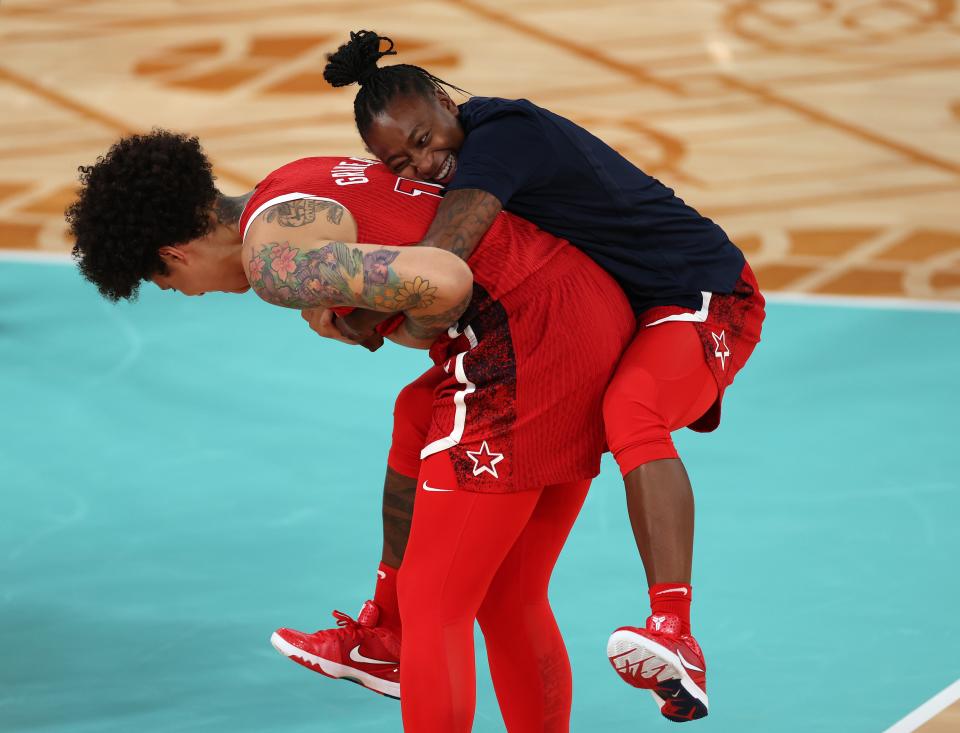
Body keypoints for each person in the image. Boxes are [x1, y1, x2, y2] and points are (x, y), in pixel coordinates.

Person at [66, 130, 635, 732]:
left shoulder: (273, 265)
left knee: (435, 603)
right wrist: (365, 308)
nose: (191, 295)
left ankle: (391, 634)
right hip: (583, 312)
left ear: (176, 253)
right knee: (505, 588)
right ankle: (383, 637)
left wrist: (378, 322)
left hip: (530, 344)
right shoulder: (293, 179)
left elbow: (445, 281)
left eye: (169, 285)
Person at [276, 30, 767, 724]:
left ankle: (674, 629)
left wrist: (345, 306)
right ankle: (383, 629)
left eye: (424, 136)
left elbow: (441, 256)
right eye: (400, 159)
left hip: (701, 296)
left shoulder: (504, 136)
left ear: (448, 103)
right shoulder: (457, 157)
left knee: (635, 409)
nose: (426, 161)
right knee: (424, 420)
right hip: (613, 320)